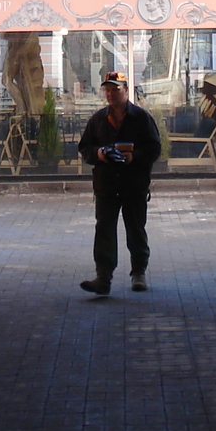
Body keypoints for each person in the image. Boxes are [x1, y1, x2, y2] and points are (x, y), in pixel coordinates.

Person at [77, 70, 162, 294]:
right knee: (104, 230)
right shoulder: (98, 119)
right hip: (106, 186)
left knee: (135, 230)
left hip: (134, 185)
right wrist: (100, 154)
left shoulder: (141, 118)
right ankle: (103, 278)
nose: (111, 93)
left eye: (115, 89)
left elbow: (155, 148)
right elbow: (84, 149)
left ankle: (138, 273)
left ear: (126, 90)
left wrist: (135, 156)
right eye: (107, 89)